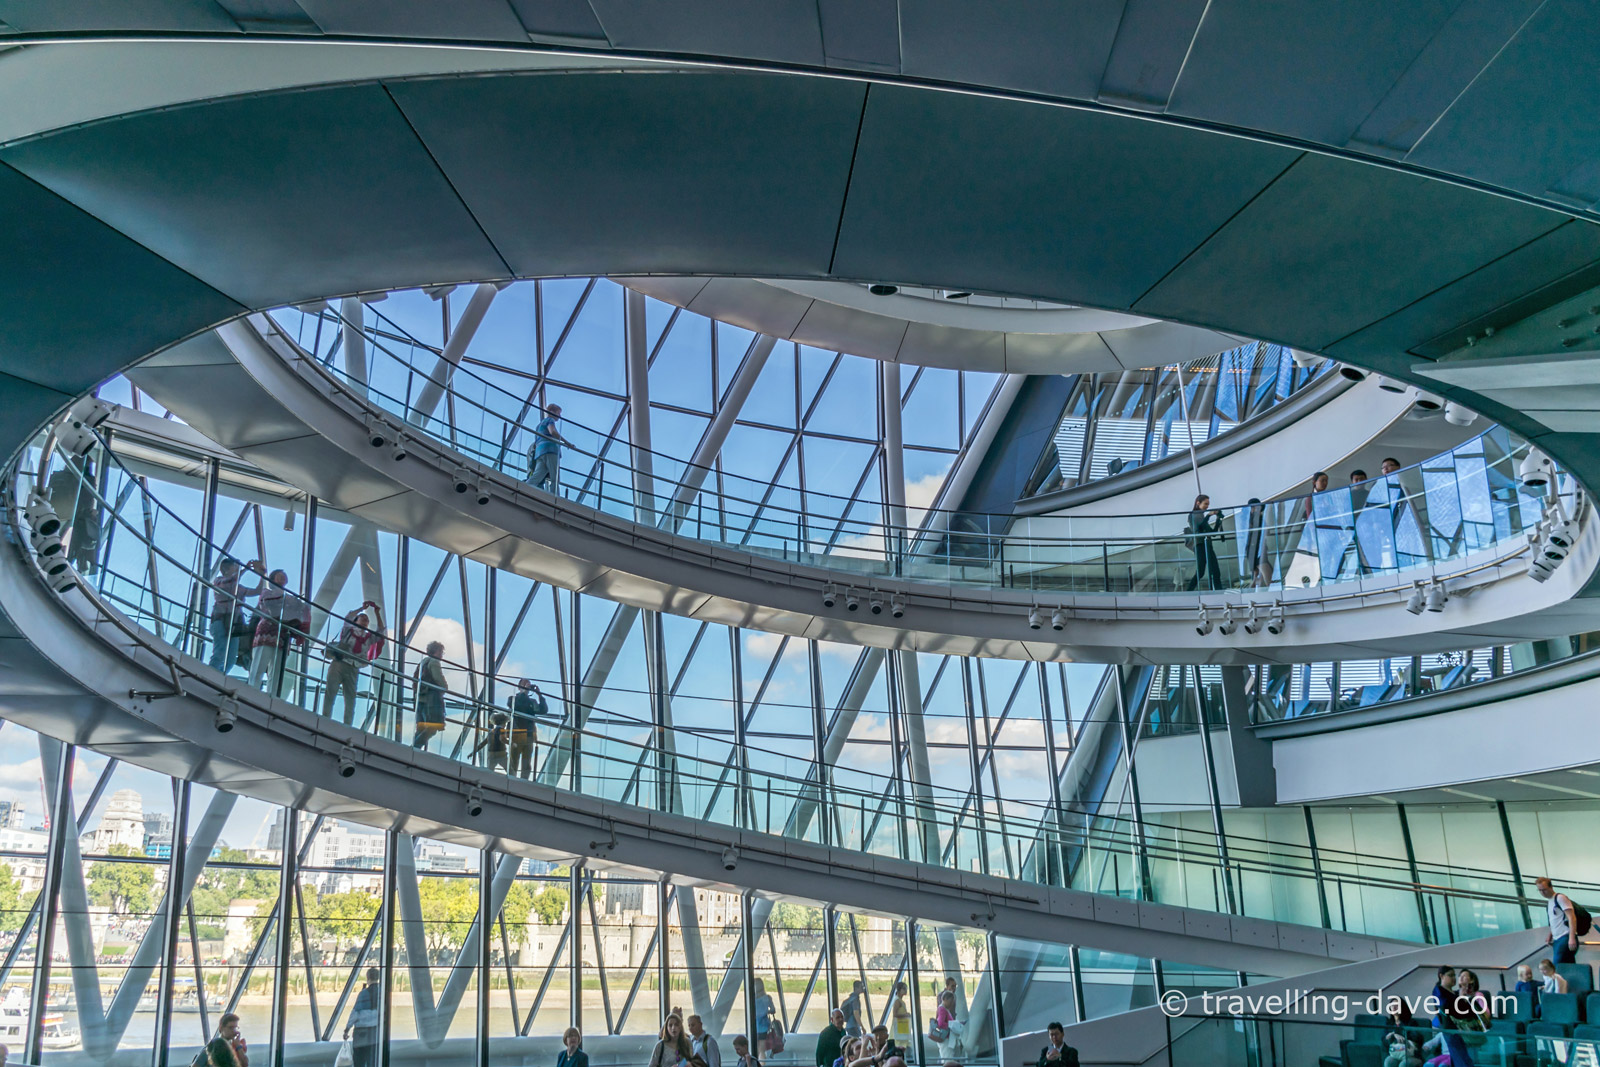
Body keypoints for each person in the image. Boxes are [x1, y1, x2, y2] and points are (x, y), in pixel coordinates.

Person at [322, 601, 383, 725]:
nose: (365, 620)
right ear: (356, 621)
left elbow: (381, 633)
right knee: (331, 691)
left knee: (350, 698)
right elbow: (348, 617)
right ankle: (325, 718)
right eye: (362, 618)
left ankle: (347, 724)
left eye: (367, 619)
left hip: (353, 668)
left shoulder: (368, 637)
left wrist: (377, 613)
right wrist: (361, 608)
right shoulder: (348, 631)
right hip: (340, 663)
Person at [248, 569, 306, 696]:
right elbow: (269, 604)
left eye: (284, 576)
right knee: (259, 665)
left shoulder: (288, 597)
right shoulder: (267, 592)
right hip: (267, 633)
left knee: (277, 670)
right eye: (279, 576)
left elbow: (299, 610)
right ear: (273, 578)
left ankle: (272, 696)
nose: (282, 578)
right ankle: (252, 691)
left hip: (282, 636)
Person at [208, 558, 264, 673]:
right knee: (220, 652)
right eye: (235, 566)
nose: (237, 568)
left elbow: (257, 591)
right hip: (221, 621)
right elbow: (229, 581)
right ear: (227, 569)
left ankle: (218, 676)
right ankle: (211, 675)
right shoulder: (219, 581)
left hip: (233, 623)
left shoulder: (237, 587)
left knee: (231, 658)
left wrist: (262, 574)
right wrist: (245, 569)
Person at [509, 678, 551, 779]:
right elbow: (517, 705)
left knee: (526, 763)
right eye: (525, 684)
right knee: (513, 761)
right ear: (519, 687)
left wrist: (539, 695)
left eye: (529, 685)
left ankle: (524, 781)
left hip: (528, 735)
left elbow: (543, 710)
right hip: (517, 734)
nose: (527, 686)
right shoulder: (512, 699)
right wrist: (524, 692)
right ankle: (511, 779)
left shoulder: (532, 701)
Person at [528, 403, 571, 494]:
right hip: (550, 450)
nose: (559, 416)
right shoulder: (550, 420)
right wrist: (567, 443)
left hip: (540, 452)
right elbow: (552, 431)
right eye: (558, 413)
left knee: (537, 476)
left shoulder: (539, 425)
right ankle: (555, 498)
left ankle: (525, 487)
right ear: (552, 412)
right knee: (554, 477)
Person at [1537, 876, 1581, 964]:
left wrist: (1571, 938)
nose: (1543, 893)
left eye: (1544, 889)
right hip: (1557, 939)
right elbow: (1555, 920)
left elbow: (1572, 917)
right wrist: (1550, 934)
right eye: (1540, 890)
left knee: (1558, 966)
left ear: (1551, 887)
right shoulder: (1550, 901)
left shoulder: (1560, 898)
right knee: (1568, 966)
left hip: (1565, 937)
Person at [1184, 494, 1224, 591]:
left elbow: (1213, 533)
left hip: (1207, 545)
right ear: (1198, 503)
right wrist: (1209, 516)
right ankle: (1189, 591)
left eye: (1208, 504)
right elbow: (1198, 529)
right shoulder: (1193, 515)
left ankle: (1219, 591)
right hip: (1200, 546)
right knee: (1201, 572)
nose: (1207, 507)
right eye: (1205, 504)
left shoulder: (1201, 516)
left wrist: (1219, 519)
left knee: (1215, 571)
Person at [413, 641, 447, 750]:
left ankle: (414, 748)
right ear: (436, 651)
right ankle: (415, 747)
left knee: (421, 727)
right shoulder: (434, 662)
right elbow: (439, 678)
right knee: (433, 726)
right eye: (441, 652)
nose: (442, 654)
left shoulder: (423, 662)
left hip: (420, 698)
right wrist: (445, 688)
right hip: (431, 699)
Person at [344, 968, 380, 1067]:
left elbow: (355, 1013)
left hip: (361, 1034)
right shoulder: (382, 993)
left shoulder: (363, 994)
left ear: (367, 977)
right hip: (375, 1033)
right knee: (373, 1062)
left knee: (359, 1061)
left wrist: (347, 1029)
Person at [753, 978, 783, 1055]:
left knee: (754, 1048)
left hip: (753, 1026)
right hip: (764, 1026)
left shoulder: (752, 999)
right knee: (762, 1049)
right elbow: (773, 1010)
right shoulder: (767, 998)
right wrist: (766, 1012)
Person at [929, 990, 960, 1059]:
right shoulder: (942, 1009)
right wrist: (952, 1024)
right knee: (947, 1058)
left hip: (947, 1038)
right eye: (950, 1001)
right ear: (945, 999)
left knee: (947, 1056)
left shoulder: (944, 1009)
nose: (951, 1003)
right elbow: (941, 1024)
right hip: (945, 1038)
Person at [890, 982, 913, 1048]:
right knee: (900, 1045)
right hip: (899, 1027)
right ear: (899, 989)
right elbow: (895, 1014)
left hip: (902, 1026)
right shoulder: (897, 1000)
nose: (906, 990)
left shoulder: (899, 1000)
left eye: (906, 989)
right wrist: (906, 1015)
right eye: (904, 989)